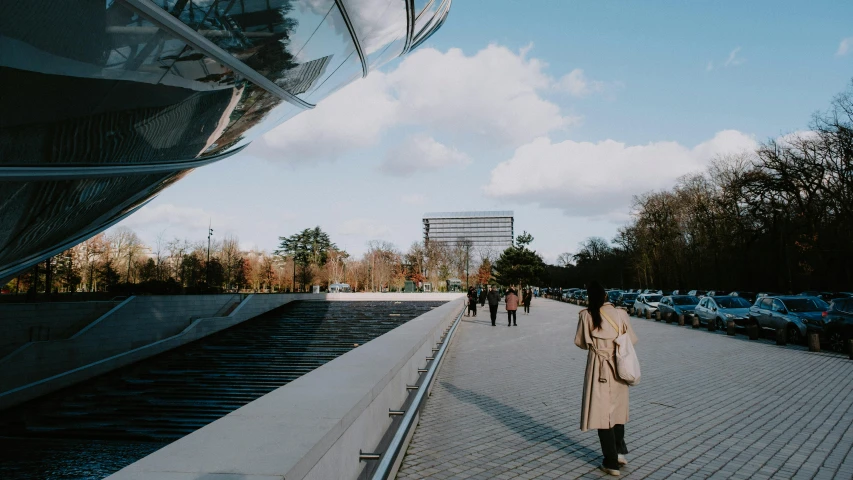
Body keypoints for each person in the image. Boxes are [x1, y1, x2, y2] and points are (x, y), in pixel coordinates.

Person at [574, 281, 638, 476]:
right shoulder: (621, 314)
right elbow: (632, 339)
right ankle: (618, 452)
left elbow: (581, 342)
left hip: (599, 368)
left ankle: (611, 462)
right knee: (618, 412)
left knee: (602, 415)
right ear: (606, 296)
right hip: (619, 366)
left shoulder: (587, 315)